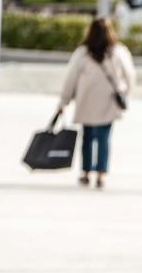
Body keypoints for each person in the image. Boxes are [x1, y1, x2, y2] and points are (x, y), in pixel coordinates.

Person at [57, 18, 137, 189]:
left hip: (86, 101)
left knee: (87, 138)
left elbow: (70, 79)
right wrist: (126, 92)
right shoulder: (118, 52)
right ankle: (100, 175)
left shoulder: (82, 53)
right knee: (104, 139)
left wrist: (64, 101)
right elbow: (130, 75)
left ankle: (86, 172)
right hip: (108, 101)